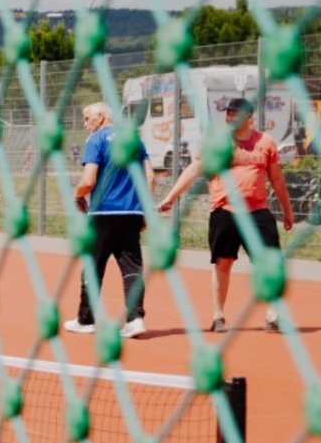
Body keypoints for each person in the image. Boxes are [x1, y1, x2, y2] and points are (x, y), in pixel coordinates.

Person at [158, 96, 294, 333]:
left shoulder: (266, 142)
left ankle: (272, 315)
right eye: (227, 113)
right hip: (225, 210)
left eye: (234, 113)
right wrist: (171, 197)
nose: (229, 117)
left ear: (249, 118)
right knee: (223, 263)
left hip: (258, 211)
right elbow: (194, 169)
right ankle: (218, 315)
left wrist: (287, 210)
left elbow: (277, 178)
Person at [63, 102, 154, 339]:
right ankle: (135, 319)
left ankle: (85, 320)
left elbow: (89, 179)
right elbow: (150, 177)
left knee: (92, 266)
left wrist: (77, 195)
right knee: (132, 268)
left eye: (86, 118)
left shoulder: (95, 140)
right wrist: (143, 210)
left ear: (101, 117)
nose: (85, 124)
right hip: (131, 213)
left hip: (102, 213)